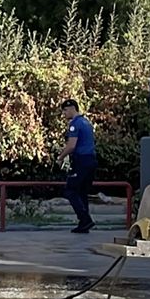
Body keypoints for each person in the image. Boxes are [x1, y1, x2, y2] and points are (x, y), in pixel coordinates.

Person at [57, 99, 97, 234]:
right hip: (91, 160)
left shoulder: (75, 124)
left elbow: (72, 145)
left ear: (72, 108)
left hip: (81, 161)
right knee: (82, 192)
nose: (64, 113)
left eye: (65, 110)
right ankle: (84, 224)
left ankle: (85, 219)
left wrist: (61, 157)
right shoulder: (86, 122)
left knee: (70, 190)